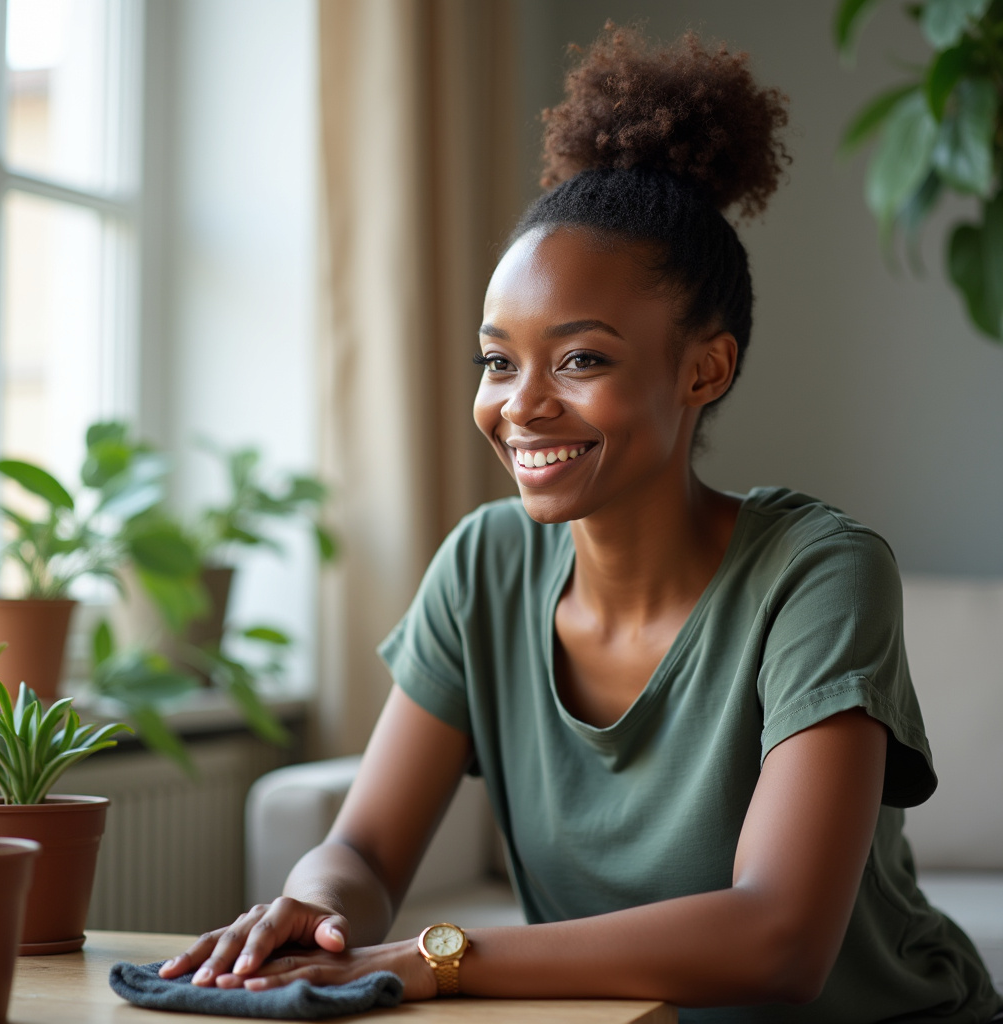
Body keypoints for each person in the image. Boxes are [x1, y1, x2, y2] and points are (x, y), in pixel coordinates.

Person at [160, 25, 1003, 1022]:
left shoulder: (819, 573)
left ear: (704, 369)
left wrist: (443, 955)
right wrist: (313, 912)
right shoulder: (485, 564)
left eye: (580, 360)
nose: (518, 404)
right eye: (497, 359)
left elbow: (778, 939)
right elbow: (365, 848)